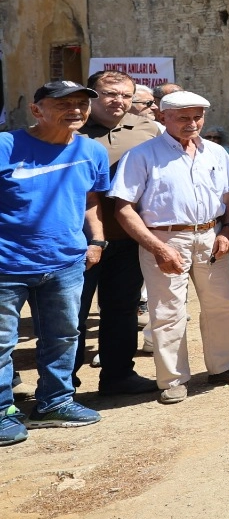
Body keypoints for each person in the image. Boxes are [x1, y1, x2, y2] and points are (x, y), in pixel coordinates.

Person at [111, 89, 229, 402]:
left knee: (222, 304)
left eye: (197, 117)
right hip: (165, 238)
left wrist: (228, 230)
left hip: (210, 236)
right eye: (183, 117)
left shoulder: (215, 152)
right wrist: (158, 248)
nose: (192, 123)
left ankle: (225, 366)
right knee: (168, 311)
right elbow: (124, 208)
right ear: (163, 117)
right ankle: (173, 380)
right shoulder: (142, 155)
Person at [0, 81, 110, 443]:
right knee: (1, 343)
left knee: (63, 336)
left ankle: (55, 402)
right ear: (36, 110)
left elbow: (90, 198)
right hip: (6, 265)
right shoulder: (5, 146)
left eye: (81, 103)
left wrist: (96, 240)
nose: (75, 110)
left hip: (65, 263)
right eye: (63, 104)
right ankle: (1, 413)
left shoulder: (91, 151)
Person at [75, 69, 161, 396]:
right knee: (72, 316)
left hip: (127, 238)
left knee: (122, 310)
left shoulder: (147, 129)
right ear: (92, 96)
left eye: (126, 95)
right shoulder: (71, 128)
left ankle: (118, 376)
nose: (119, 101)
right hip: (79, 240)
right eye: (110, 94)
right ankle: (63, 387)